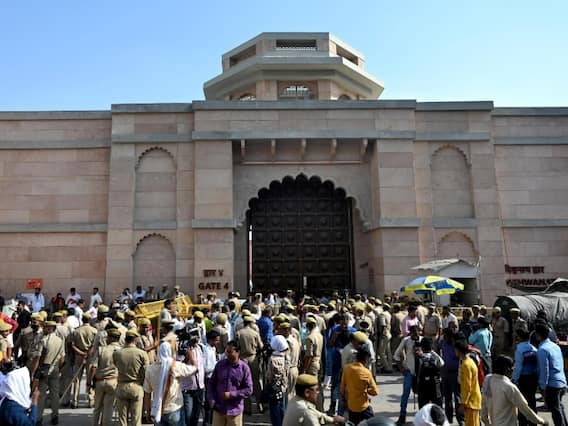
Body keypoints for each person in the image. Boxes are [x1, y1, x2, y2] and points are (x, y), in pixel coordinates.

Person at [481, 355, 546, 426]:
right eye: (513, 368)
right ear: (507, 369)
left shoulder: (488, 380)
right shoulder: (509, 387)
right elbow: (525, 410)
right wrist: (542, 421)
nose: (513, 371)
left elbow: (483, 406)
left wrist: (487, 422)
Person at [144, 342, 198, 426]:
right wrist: (192, 358)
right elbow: (194, 370)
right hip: (174, 409)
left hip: (158, 411)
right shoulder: (175, 366)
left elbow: (147, 393)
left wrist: (148, 411)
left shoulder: (150, 369)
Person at [207, 340, 252, 426]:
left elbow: (248, 390)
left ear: (238, 352)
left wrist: (231, 394)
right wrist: (211, 399)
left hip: (234, 411)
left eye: (230, 352)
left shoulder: (244, 368)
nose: (227, 354)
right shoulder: (220, 365)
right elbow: (211, 383)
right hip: (218, 408)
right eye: (226, 351)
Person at [113, 330, 150, 426]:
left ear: (125, 339)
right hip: (136, 386)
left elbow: (116, 365)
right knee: (136, 418)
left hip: (122, 386)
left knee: (122, 419)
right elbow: (146, 372)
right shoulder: (142, 353)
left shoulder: (117, 353)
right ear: (136, 340)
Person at [534, 322, 568, 426]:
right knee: (559, 408)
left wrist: (542, 387)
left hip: (552, 385)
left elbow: (544, 370)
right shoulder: (555, 346)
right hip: (561, 381)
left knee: (555, 411)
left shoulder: (542, 350)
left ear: (538, 335)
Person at [33, 320, 65, 426]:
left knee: (41, 395)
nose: (44, 329)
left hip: (43, 369)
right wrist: (58, 369)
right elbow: (62, 358)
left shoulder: (44, 340)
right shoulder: (60, 340)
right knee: (54, 394)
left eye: (45, 328)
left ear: (49, 329)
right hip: (55, 369)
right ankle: (55, 416)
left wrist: (34, 372)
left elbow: (38, 358)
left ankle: (39, 418)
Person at [393, 325, 422, 425]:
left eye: (417, 332)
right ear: (410, 333)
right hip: (409, 371)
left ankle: (421, 417)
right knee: (405, 394)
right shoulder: (406, 340)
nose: (415, 335)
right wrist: (401, 368)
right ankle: (402, 416)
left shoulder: (423, 340)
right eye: (413, 333)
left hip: (421, 372)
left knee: (422, 395)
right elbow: (396, 355)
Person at [92, 327, 122, 426]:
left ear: (112, 338)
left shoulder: (101, 349)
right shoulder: (121, 351)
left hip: (100, 381)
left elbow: (94, 367)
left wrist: (89, 381)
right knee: (108, 407)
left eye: (108, 337)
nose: (106, 339)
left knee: (97, 407)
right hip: (113, 381)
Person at [340, 348, 378, 424]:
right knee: (373, 423)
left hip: (351, 406)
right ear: (366, 359)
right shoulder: (366, 372)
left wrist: (344, 401)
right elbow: (375, 392)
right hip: (363, 406)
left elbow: (342, 388)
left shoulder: (347, 369)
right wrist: (367, 390)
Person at [236, 315, 263, 414]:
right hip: (253, 358)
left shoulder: (239, 333)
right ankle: (260, 405)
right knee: (256, 382)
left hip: (242, 359)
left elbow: (236, 346)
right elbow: (261, 346)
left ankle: (247, 408)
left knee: (244, 383)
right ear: (251, 323)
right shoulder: (255, 333)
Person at [512, 328, 539, 426]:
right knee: (532, 401)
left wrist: (514, 379)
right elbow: (537, 366)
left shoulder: (519, 349)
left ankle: (523, 422)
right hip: (533, 378)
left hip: (523, 379)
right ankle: (533, 422)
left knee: (522, 402)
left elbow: (518, 367)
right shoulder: (534, 349)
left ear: (520, 337)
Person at [455, 339, 481, 426]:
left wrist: (463, 403)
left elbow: (467, 386)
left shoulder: (466, 365)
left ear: (458, 350)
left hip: (471, 402)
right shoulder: (469, 361)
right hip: (472, 400)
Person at [266, 335, 289, 426]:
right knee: (282, 406)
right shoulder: (286, 357)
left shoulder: (272, 359)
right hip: (282, 386)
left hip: (273, 388)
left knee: (274, 409)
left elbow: (269, 375)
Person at [416, 337, 444, 408]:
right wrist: (432, 351)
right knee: (437, 406)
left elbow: (415, 372)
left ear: (422, 347)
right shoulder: (435, 358)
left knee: (423, 407)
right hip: (435, 384)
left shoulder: (419, 357)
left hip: (423, 385)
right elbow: (442, 363)